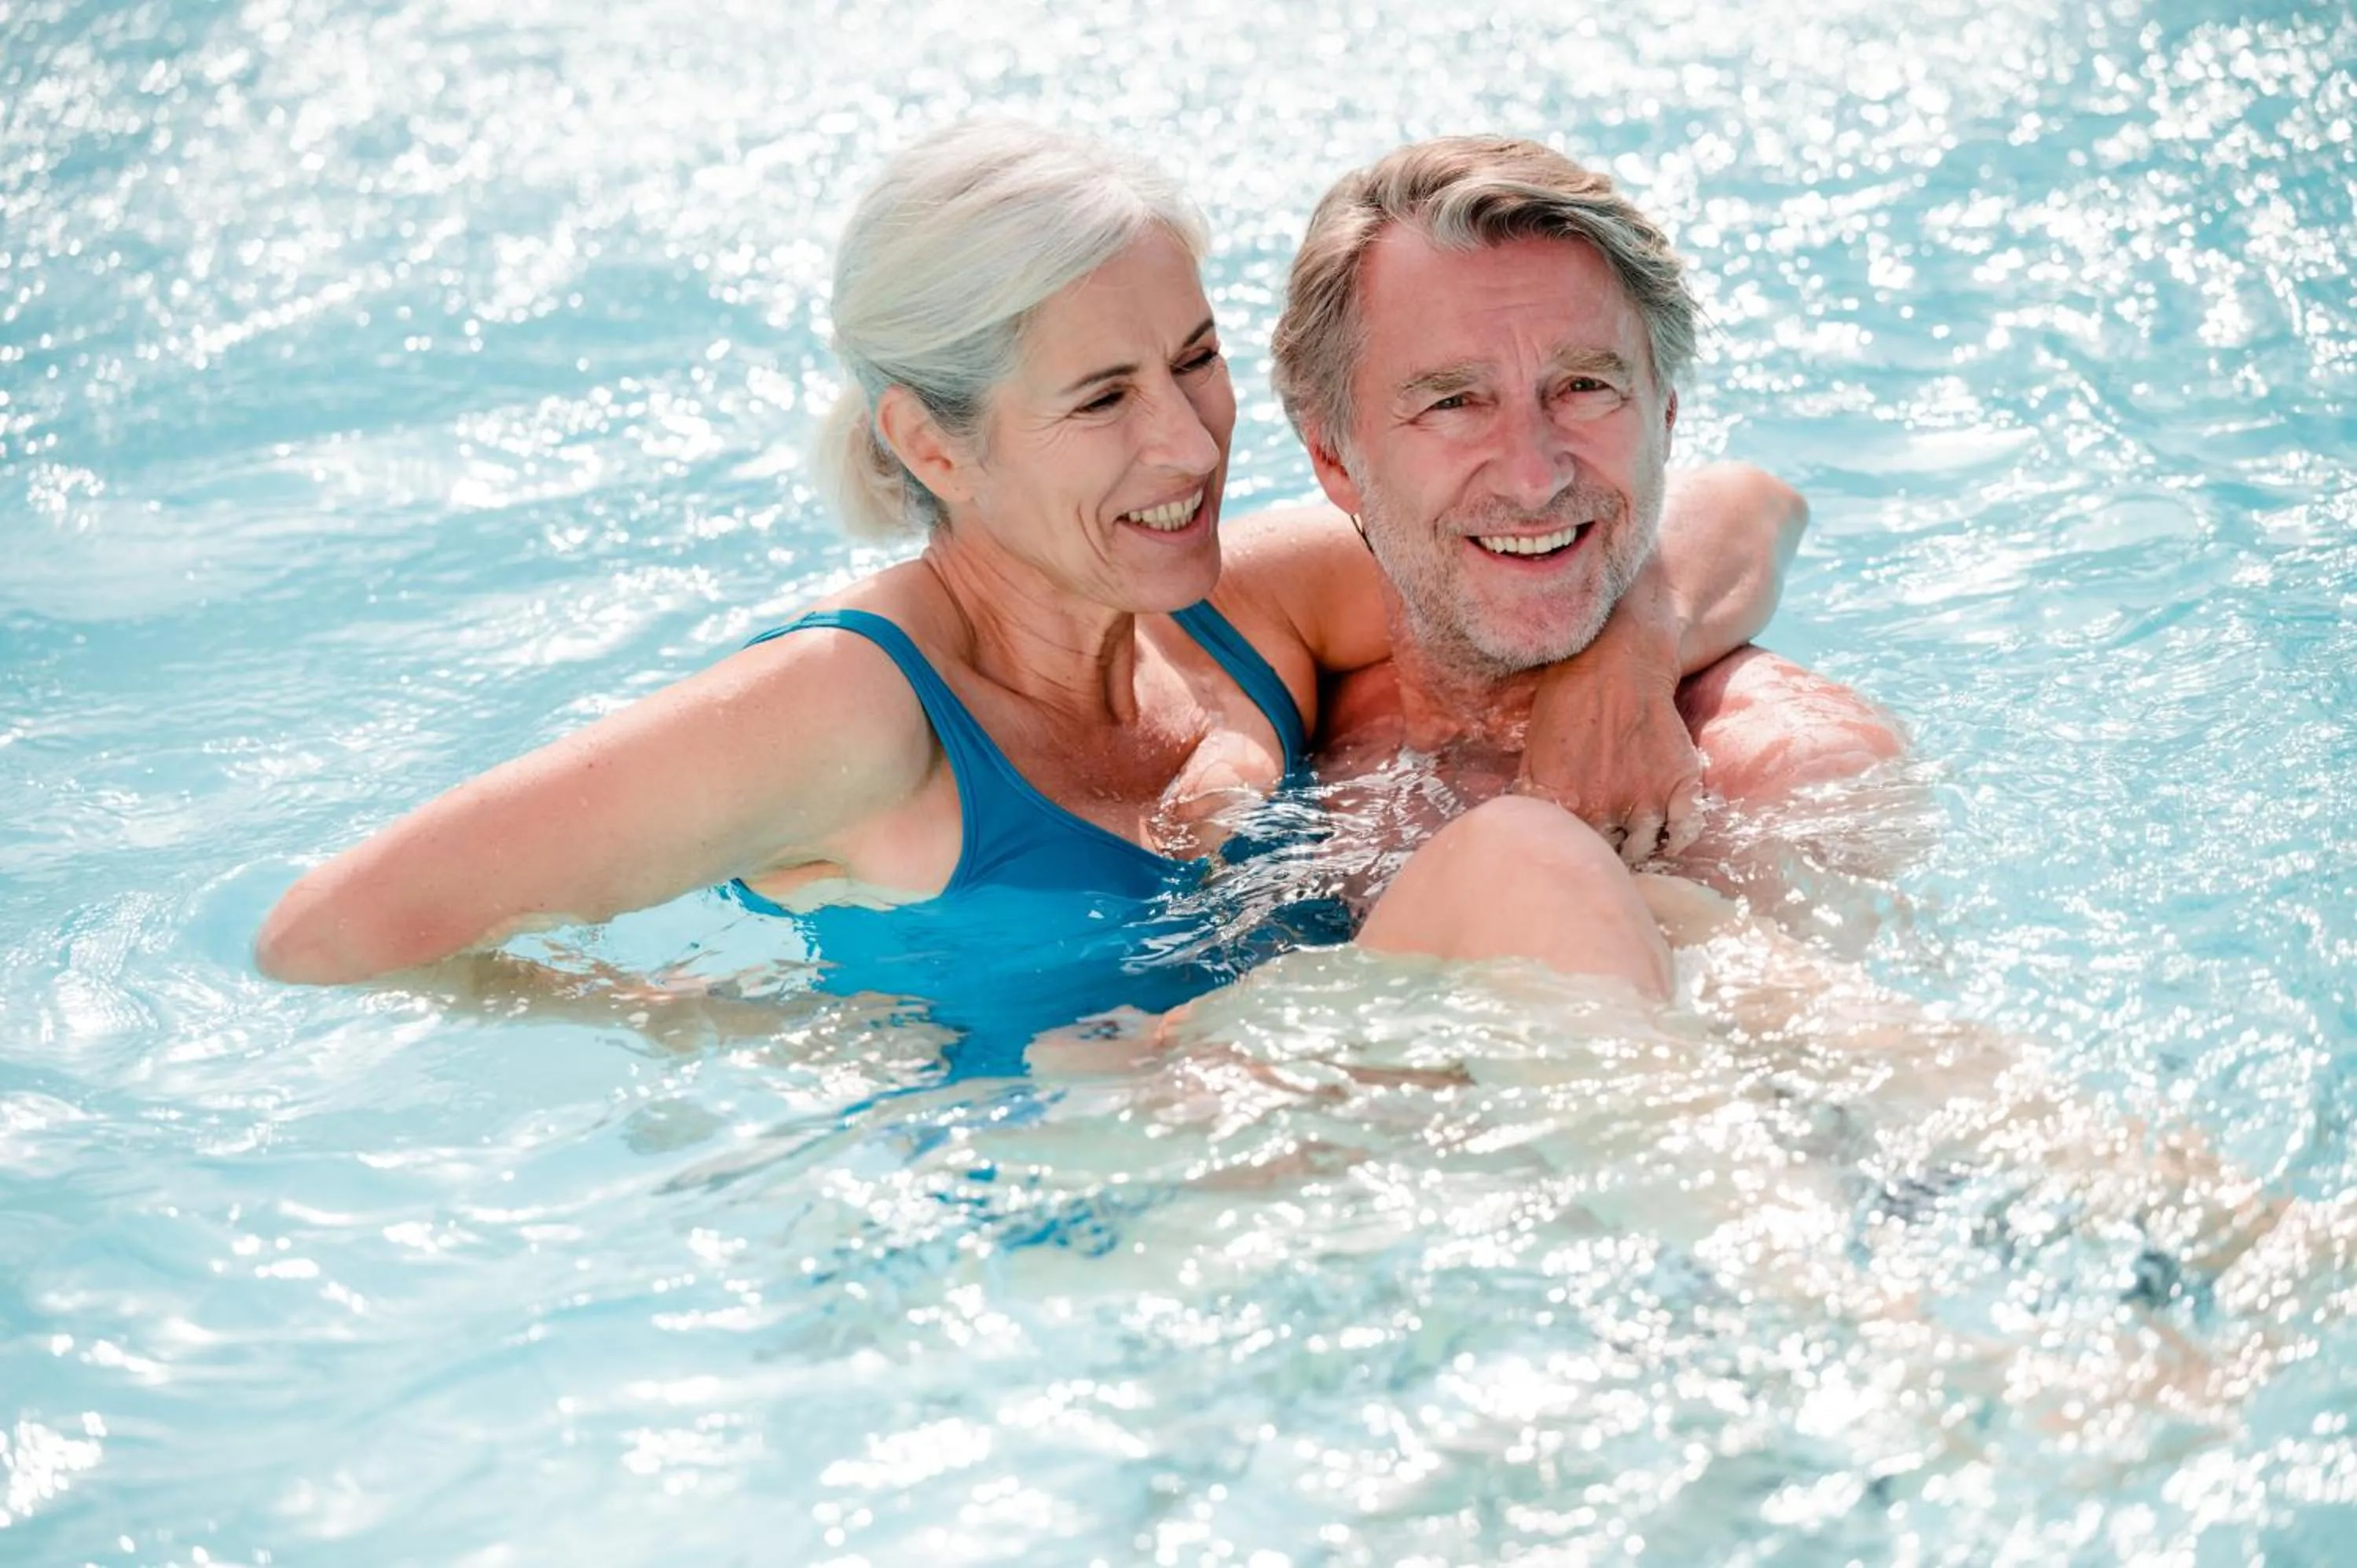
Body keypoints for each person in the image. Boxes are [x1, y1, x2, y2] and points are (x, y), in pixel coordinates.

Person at [254, 122, 1795, 1071]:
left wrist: (1625, 655)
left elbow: (1734, 502)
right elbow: (332, 930)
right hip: (1070, 1206)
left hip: (1290, 1141)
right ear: (934, 441)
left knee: (1698, 923)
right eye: (1102, 397)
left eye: (1194, 361)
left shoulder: (1221, 610)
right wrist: (736, 1039)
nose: (1186, 444)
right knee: (1523, 865)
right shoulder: (854, 710)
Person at [1245, 134, 1905, 889]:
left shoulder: (1777, 772)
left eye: (1585, 387)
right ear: (1333, 459)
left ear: (1664, 416)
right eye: (1454, 401)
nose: (1534, 478)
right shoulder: (1285, 715)